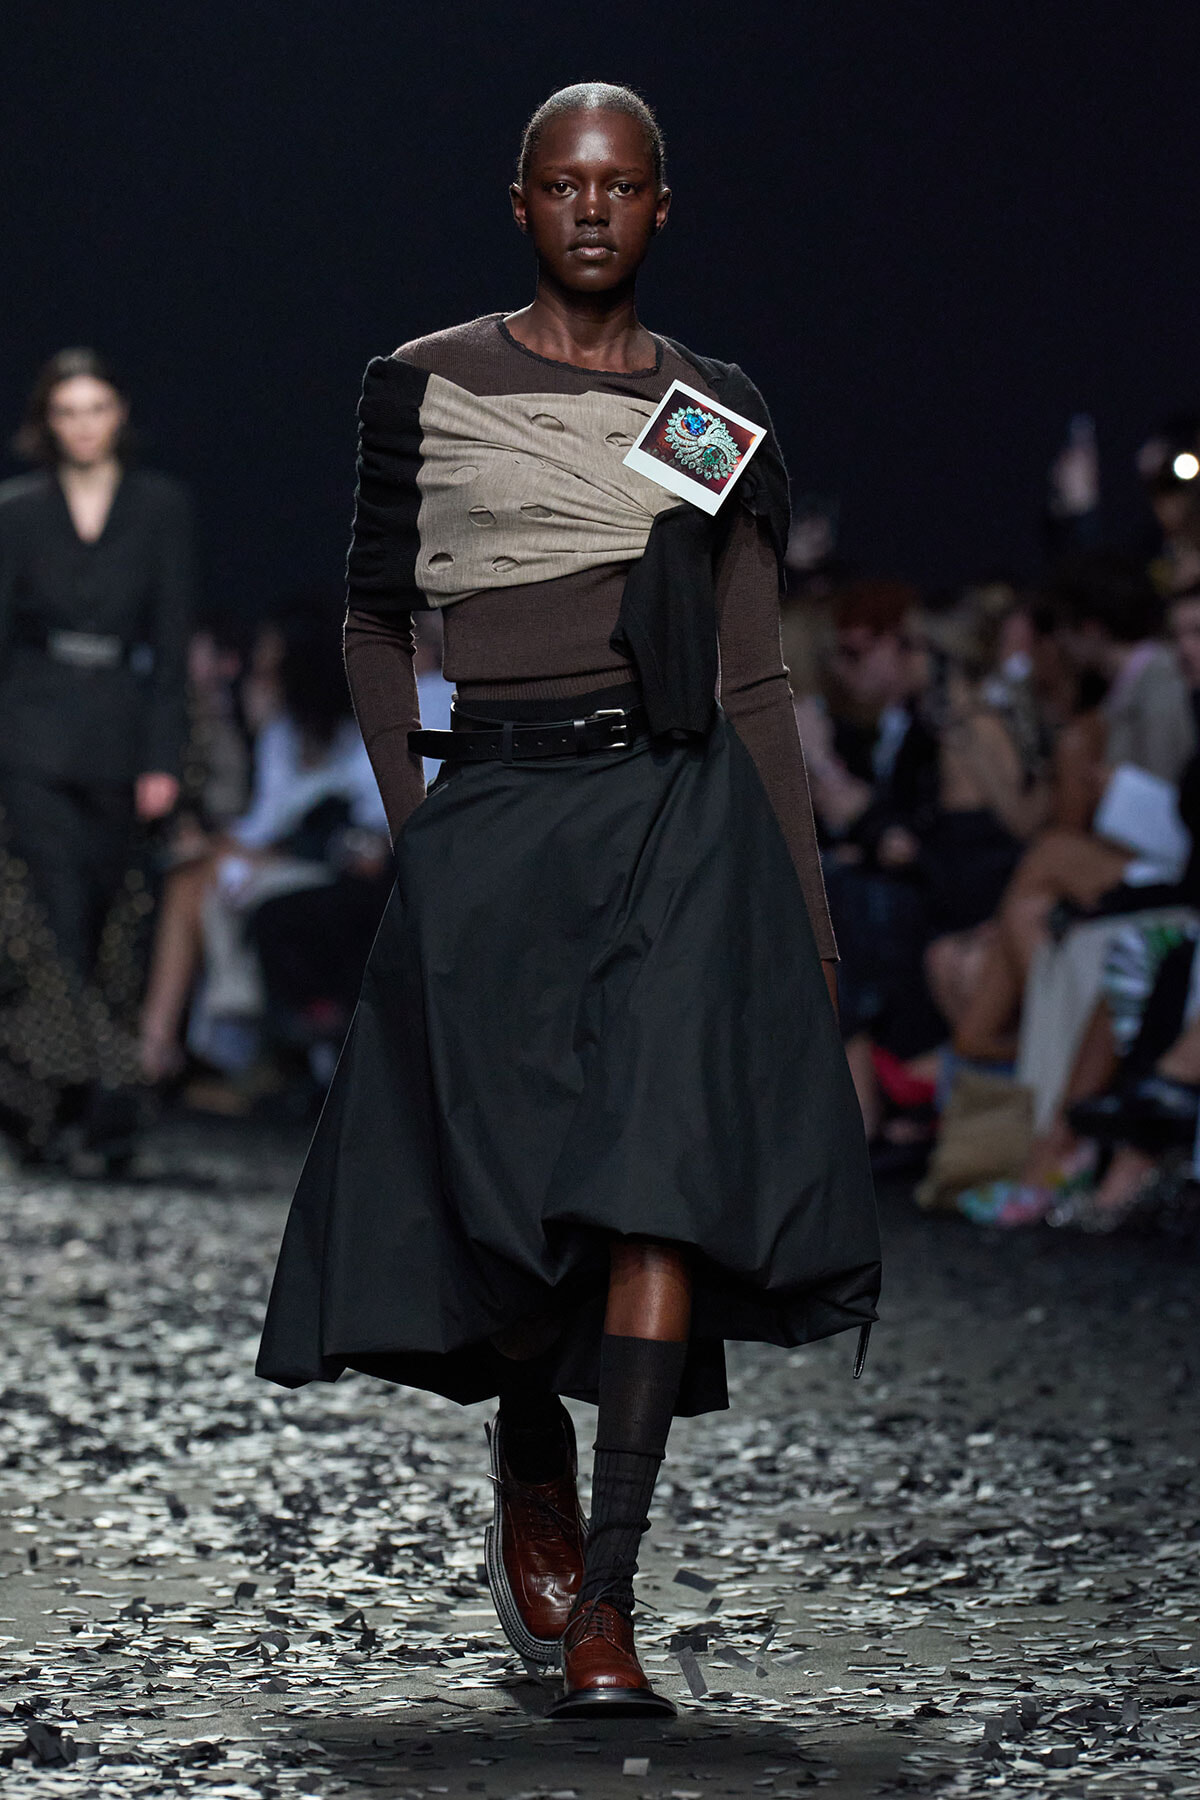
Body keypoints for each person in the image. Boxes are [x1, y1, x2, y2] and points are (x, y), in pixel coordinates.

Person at [256, 84, 879, 1716]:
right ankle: (528, 1444)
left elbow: (755, 679)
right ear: (522, 201)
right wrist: (420, 825)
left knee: (654, 1188)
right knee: (515, 1198)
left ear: (659, 208)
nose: (591, 209)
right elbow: (374, 626)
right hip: (502, 819)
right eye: (562, 183)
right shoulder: (431, 386)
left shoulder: (709, 408)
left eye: (620, 186)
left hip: (677, 815)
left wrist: (805, 923)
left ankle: (607, 1601)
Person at [0, 347, 193, 1165]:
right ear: (48, 423)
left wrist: (164, 756)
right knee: (51, 917)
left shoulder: (160, 507)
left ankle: (47, 1104)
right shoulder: (16, 511)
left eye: (97, 408)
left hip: (120, 729)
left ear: (119, 417)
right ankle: (104, 1092)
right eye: (66, 410)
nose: (83, 425)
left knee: (109, 916)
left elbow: (174, 640)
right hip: (30, 727)